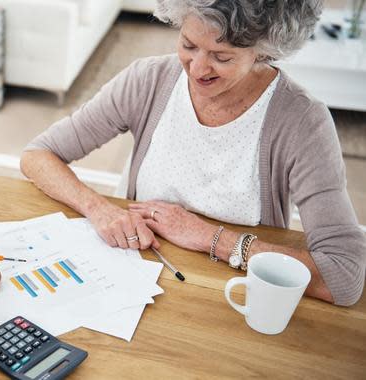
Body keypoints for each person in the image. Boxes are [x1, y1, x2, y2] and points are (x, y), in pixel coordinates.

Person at [21, 0, 366, 307]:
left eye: (221, 56)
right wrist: (99, 209)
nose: (198, 69)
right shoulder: (148, 80)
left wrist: (208, 238)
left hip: (238, 298)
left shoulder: (302, 122)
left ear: (263, 50)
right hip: (139, 286)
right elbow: (38, 155)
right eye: (188, 45)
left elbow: (344, 275)